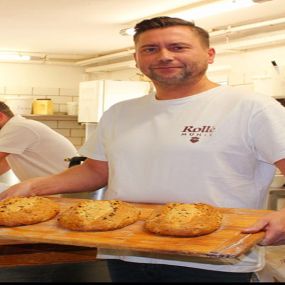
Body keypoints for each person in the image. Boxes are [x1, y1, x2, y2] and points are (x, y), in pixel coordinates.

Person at [0, 16, 285, 282]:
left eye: (178, 47)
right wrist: (34, 186)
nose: (164, 56)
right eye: (150, 49)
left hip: (212, 258)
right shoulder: (120, 112)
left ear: (209, 54)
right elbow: (96, 171)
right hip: (126, 252)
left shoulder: (251, 108)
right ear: (137, 60)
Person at [0, 101, 78, 182]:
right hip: (54, 187)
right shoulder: (16, 126)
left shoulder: (16, 127)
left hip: (60, 188)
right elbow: (5, 164)